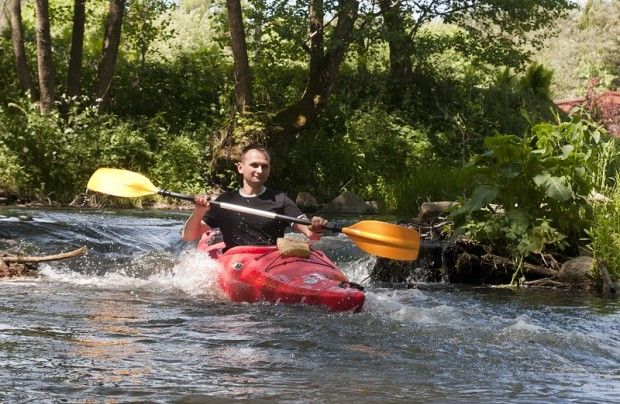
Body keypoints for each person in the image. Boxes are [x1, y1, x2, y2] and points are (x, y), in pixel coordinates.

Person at [182, 144, 327, 248]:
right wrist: (199, 212)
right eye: (254, 165)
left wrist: (316, 227)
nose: (259, 170)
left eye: (264, 166)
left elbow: (312, 235)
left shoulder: (280, 199)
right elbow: (188, 236)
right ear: (240, 168)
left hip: (270, 261)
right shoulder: (225, 201)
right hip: (236, 261)